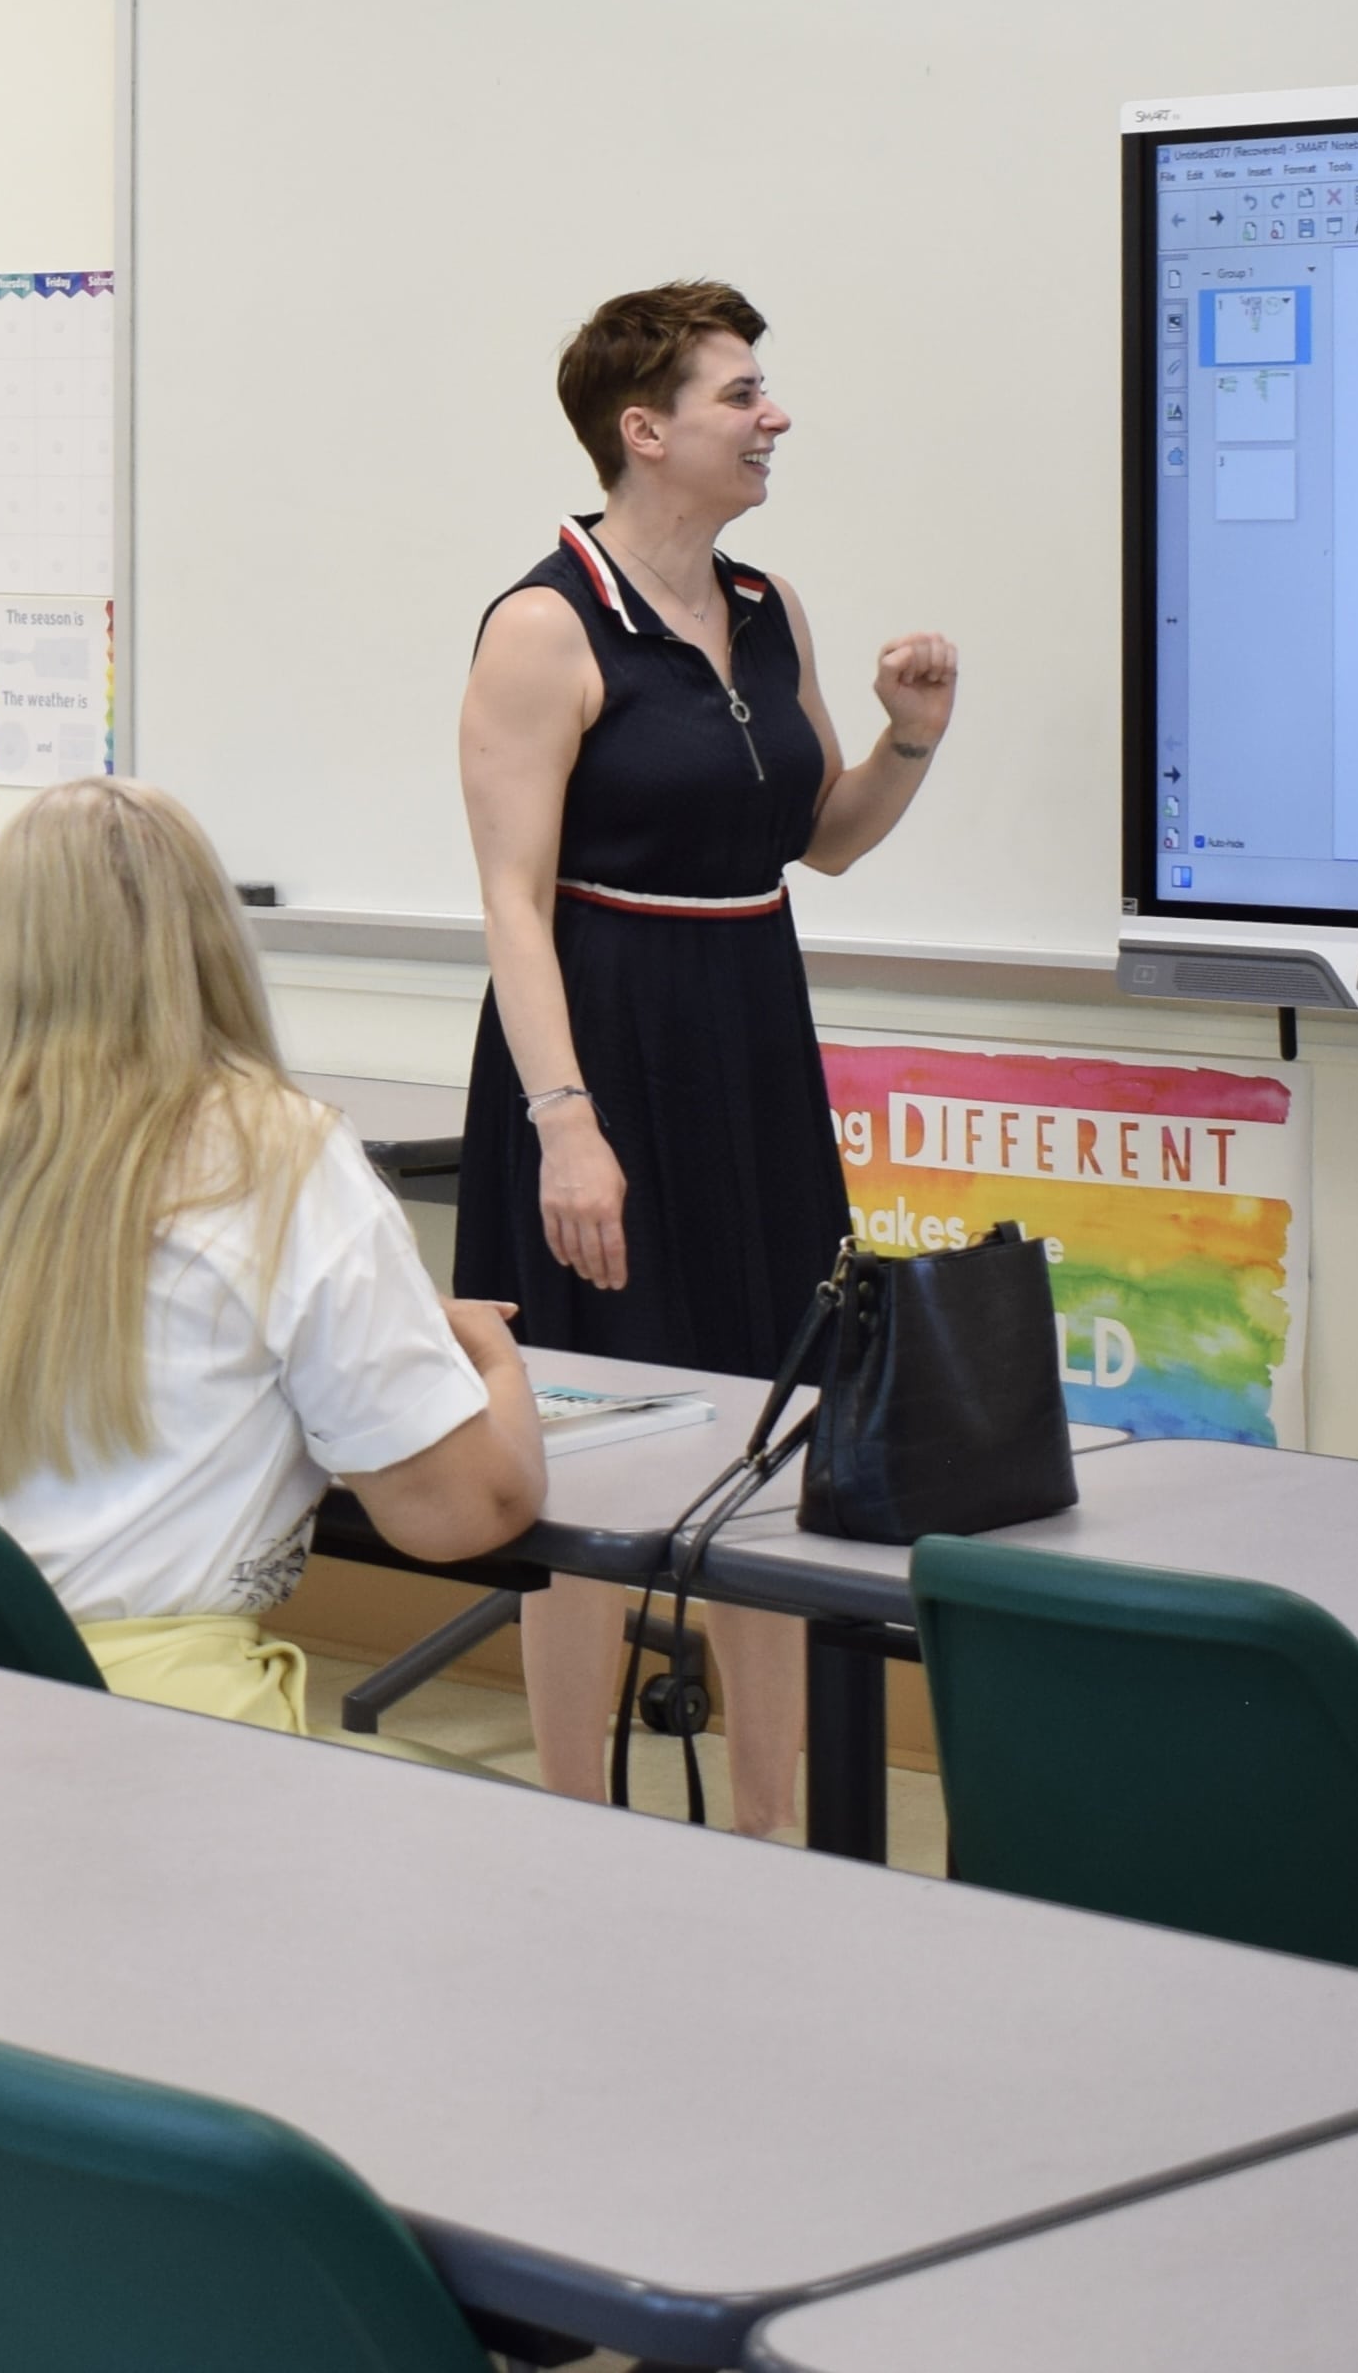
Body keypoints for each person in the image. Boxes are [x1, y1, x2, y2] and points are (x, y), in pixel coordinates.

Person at [456, 280, 958, 1828]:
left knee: (773, 1425)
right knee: (586, 1442)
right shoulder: (546, 625)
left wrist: (908, 737)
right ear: (646, 430)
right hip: (597, 1050)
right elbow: (509, 902)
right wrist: (567, 1126)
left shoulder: (767, 609)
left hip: (749, 1040)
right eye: (743, 395)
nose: (774, 417)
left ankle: (766, 1824)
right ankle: (568, 1813)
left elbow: (823, 844)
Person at [0, 779, 544, 1733]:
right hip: (147, 1737)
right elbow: (466, 1512)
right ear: (210, 941)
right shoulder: (278, 1156)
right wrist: (489, 1358)